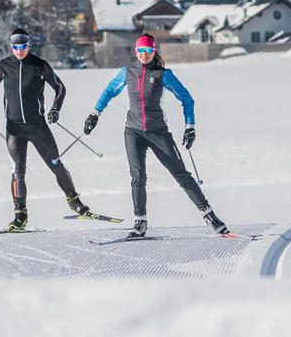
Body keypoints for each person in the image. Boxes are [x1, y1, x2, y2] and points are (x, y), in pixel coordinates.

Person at [83, 33, 230, 238]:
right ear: (136, 52)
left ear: (154, 52)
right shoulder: (128, 72)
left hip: (158, 132)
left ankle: (209, 215)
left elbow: (187, 99)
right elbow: (109, 91)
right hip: (133, 131)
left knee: (181, 175)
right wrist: (94, 114)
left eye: (149, 50)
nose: (145, 54)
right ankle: (140, 222)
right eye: (141, 50)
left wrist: (190, 126)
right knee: (137, 176)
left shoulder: (163, 75)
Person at [0, 27, 93, 231]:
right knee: (18, 171)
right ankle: (20, 215)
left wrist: (55, 109)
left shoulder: (40, 65)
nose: (19, 50)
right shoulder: (4, 65)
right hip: (14, 128)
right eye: (15, 47)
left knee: (56, 164)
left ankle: (75, 202)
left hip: (38, 126)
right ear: (11, 47)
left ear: (28, 45)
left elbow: (60, 88)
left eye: (22, 46)